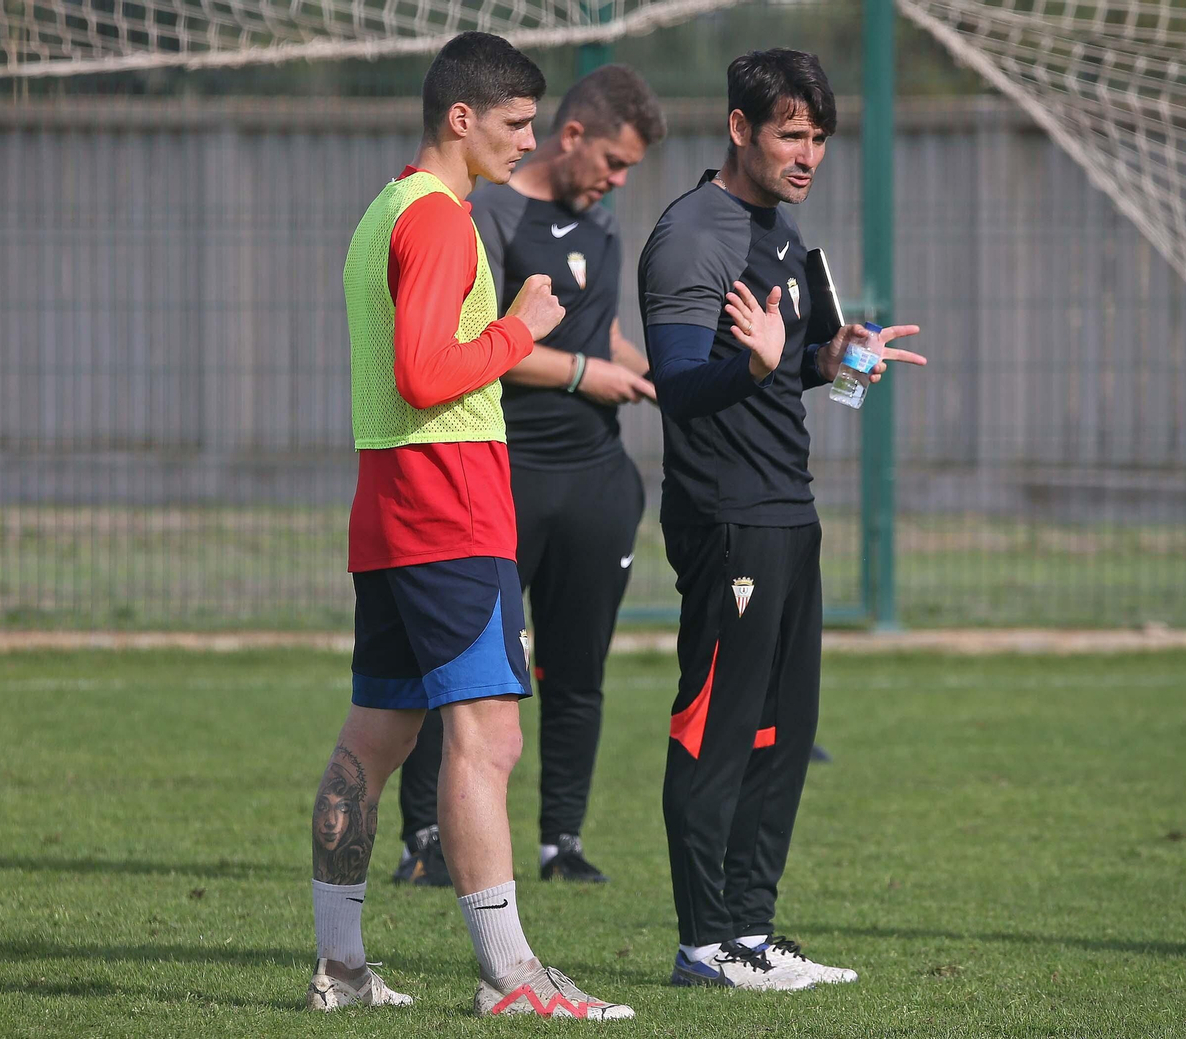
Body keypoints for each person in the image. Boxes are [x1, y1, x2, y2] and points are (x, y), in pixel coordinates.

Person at [304, 30, 633, 1020]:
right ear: (462, 118)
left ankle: (342, 966)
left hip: (392, 507)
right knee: (488, 739)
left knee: (372, 743)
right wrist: (519, 331)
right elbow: (424, 372)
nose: (528, 145)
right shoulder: (443, 219)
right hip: (449, 506)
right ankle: (511, 975)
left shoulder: (384, 210)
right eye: (515, 125)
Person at [636, 48, 925, 991]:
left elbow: (792, 364)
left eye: (819, 138)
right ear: (739, 129)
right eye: (790, 135)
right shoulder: (690, 237)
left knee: (783, 730)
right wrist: (758, 367)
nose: (808, 155)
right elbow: (679, 387)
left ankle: (753, 933)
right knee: (717, 727)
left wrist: (844, 356)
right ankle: (704, 942)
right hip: (727, 519)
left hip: (788, 512)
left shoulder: (784, 235)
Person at [391, 64, 664, 889]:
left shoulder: (604, 224)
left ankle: (563, 841)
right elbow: (491, 345)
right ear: (571, 135)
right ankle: (426, 839)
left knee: (578, 669)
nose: (618, 182)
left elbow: (601, 333)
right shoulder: (487, 214)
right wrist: (584, 373)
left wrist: (659, 374)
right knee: (466, 671)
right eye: (613, 162)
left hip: (597, 479)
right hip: (506, 473)